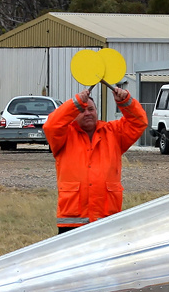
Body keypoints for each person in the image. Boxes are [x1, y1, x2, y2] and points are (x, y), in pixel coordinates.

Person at [42, 84, 148, 233]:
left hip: (107, 219)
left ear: (96, 112)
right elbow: (50, 126)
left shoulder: (114, 133)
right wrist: (75, 103)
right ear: (74, 113)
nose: (87, 113)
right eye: (82, 110)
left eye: (91, 109)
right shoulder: (63, 136)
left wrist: (126, 102)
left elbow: (139, 122)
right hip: (72, 222)